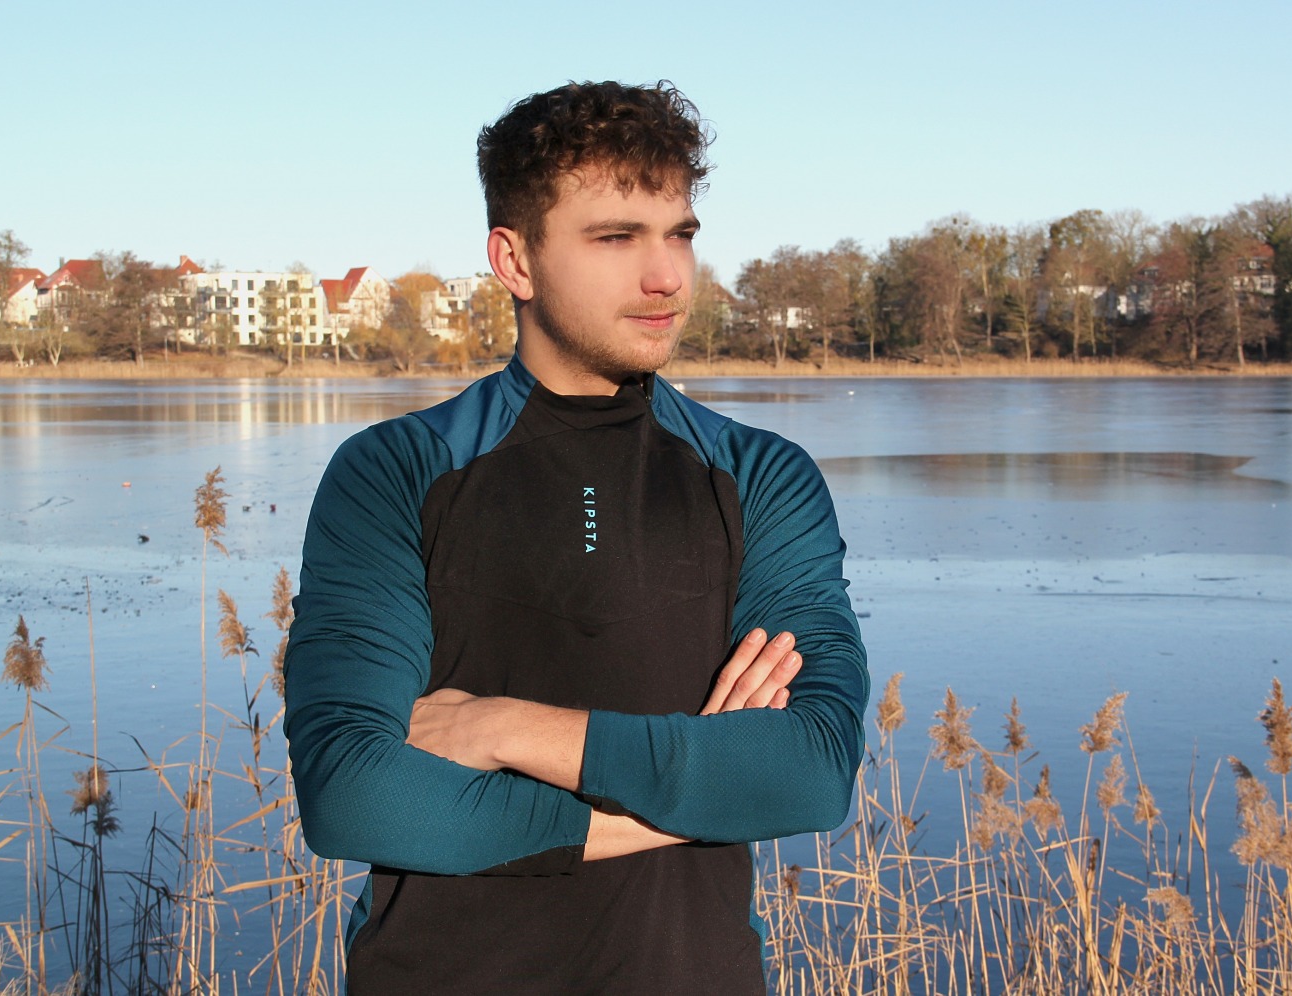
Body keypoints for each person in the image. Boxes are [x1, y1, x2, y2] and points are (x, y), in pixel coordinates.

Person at [284, 80, 868, 994]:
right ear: (514, 260)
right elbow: (352, 793)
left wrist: (499, 726)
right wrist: (686, 798)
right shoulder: (396, 472)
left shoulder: (761, 477)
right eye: (615, 238)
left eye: (679, 234)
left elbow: (812, 771)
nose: (667, 276)